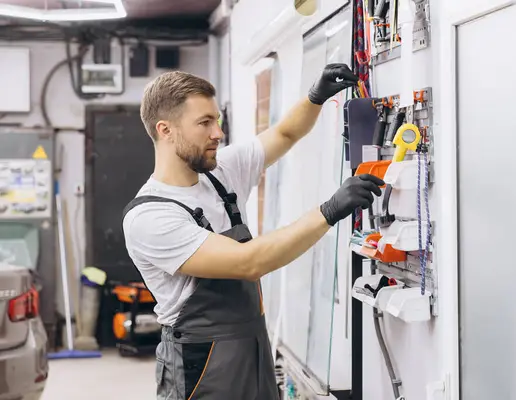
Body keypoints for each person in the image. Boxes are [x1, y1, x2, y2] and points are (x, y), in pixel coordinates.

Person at [122, 64, 384, 400]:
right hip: (201, 367)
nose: (218, 132)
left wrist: (315, 98)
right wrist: (329, 211)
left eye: (216, 120)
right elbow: (249, 262)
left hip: (253, 348)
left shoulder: (220, 173)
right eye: (204, 122)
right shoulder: (150, 216)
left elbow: (285, 134)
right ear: (165, 130)